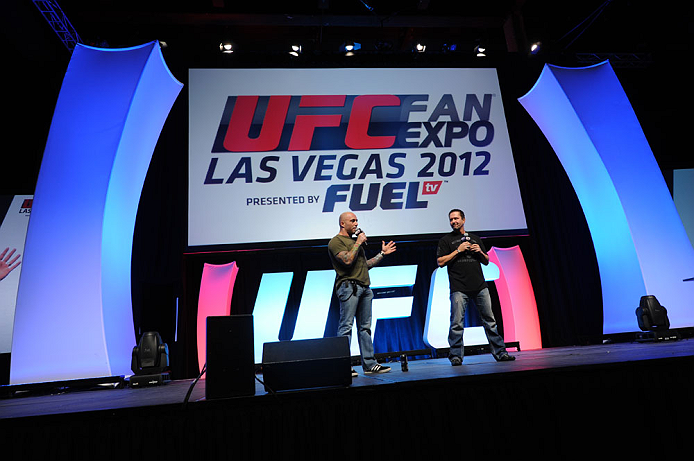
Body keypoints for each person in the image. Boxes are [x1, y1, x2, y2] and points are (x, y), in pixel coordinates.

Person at [436, 209, 515, 365]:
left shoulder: (475, 238)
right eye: (451, 219)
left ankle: (500, 353)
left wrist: (479, 251)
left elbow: (486, 260)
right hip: (459, 287)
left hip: (480, 286)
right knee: (457, 323)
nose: (454, 222)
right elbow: (440, 262)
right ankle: (456, 356)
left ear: (464, 220)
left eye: (456, 218)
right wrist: (458, 250)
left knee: (490, 321)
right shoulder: (445, 241)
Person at [328, 211, 396, 376]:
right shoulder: (336, 242)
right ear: (343, 224)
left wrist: (382, 254)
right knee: (346, 327)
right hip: (349, 287)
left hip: (365, 288)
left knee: (365, 328)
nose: (356, 224)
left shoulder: (353, 242)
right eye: (352, 221)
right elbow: (347, 260)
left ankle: (369, 364)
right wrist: (358, 242)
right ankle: (343, 366)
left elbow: (364, 265)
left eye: (357, 220)